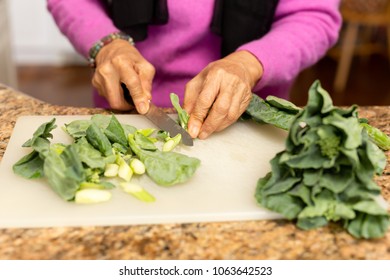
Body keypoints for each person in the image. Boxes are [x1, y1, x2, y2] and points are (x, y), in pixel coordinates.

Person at [47, 0, 341, 139]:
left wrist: (249, 63)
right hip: (124, 109)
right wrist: (108, 44)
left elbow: (313, 16)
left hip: (250, 117)